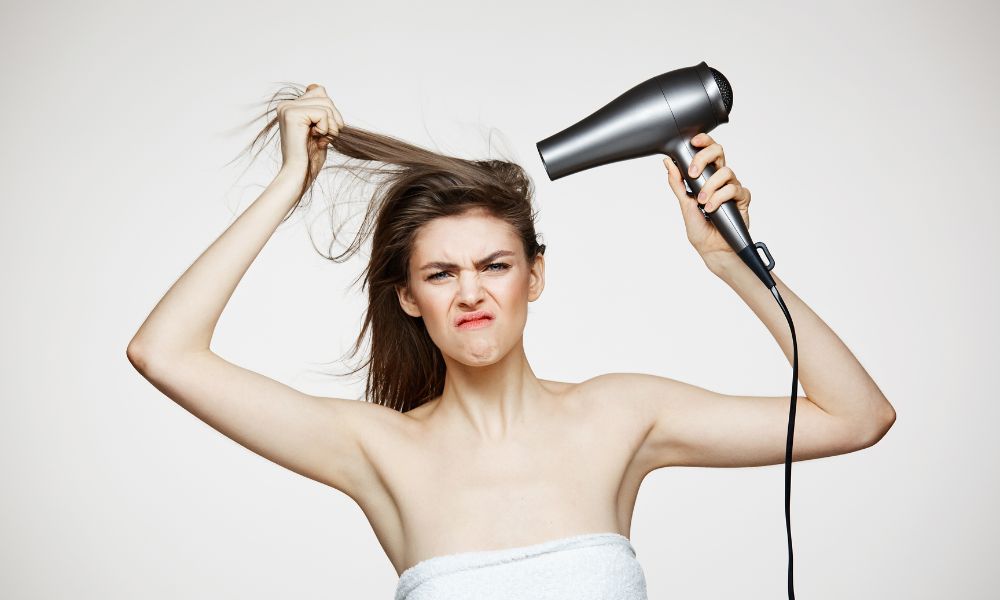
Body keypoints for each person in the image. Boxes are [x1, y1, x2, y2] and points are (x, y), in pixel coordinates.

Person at [126, 83, 896, 599]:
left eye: (495, 265)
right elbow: (164, 352)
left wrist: (733, 264)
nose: (471, 292)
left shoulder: (620, 415)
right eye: (440, 274)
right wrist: (290, 185)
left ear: (535, 276)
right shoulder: (378, 449)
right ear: (409, 298)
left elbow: (857, 417)